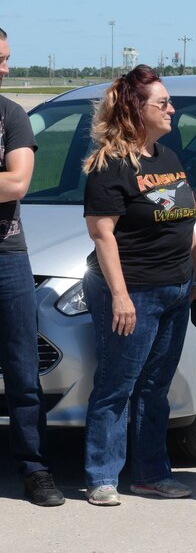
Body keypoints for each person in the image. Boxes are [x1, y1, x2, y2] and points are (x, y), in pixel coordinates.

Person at [82, 64, 196, 506]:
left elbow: (186, 222)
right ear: (138, 111)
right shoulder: (110, 166)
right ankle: (101, 476)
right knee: (117, 385)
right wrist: (119, 296)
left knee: (155, 388)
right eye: (163, 103)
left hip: (176, 289)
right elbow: (102, 234)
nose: (172, 109)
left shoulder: (167, 157)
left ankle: (152, 474)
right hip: (133, 291)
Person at [0, 27, 65, 507]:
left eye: (7, 58)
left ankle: (35, 468)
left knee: (23, 369)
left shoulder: (12, 115)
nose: (5, 68)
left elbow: (17, 183)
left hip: (7, 259)